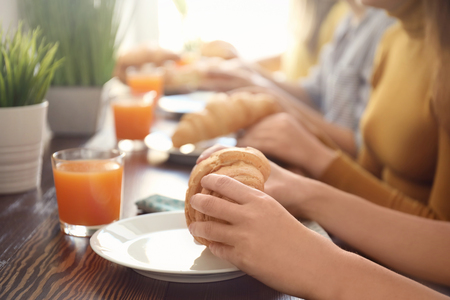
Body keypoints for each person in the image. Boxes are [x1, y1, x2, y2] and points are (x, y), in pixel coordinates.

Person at [234, 0, 450, 221]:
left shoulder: (433, 55)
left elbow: (439, 241)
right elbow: (370, 176)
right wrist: (305, 147)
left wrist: (314, 158)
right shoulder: (393, 39)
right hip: (365, 238)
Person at [205, 0, 394, 157]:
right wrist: (251, 73)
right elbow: (314, 94)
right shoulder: (349, 19)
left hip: (341, 167)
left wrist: (269, 94)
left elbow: (361, 146)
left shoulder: (386, 25)